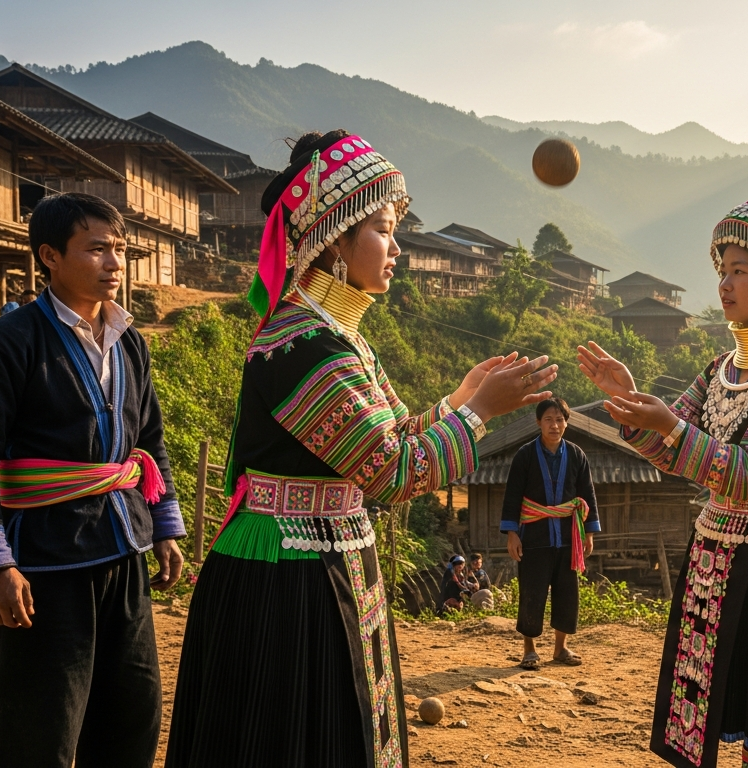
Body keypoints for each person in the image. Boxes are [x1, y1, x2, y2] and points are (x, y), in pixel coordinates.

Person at [165, 129, 556, 768]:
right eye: (381, 229)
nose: (397, 247)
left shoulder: (340, 338)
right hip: (287, 576)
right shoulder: (301, 345)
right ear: (334, 238)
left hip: (333, 557)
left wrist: (461, 399)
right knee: (295, 735)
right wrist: (482, 413)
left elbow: (392, 437)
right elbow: (390, 471)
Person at [579, 197, 748, 768]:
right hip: (716, 554)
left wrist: (667, 424)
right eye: (722, 271)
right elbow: (670, 452)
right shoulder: (720, 370)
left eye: (740, 271)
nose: (725, 286)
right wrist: (632, 405)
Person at [0, 192, 185, 768]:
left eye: (120, 249)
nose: (114, 262)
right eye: (97, 249)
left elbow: (147, 441)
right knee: (39, 729)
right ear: (49, 256)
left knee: (131, 715)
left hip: (122, 550)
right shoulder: (5, 344)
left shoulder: (129, 341)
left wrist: (166, 526)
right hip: (42, 562)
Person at [500, 397, 600, 670]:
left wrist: (589, 532)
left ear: (566, 423)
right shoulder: (525, 455)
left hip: (569, 537)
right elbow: (512, 496)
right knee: (532, 591)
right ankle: (529, 650)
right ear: (538, 422)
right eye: (548, 420)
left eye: (559, 420)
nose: (554, 425)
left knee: (567, 593)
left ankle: (561, 648)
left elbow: (587, 494)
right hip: (534, 535)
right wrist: (512, 533)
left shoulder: (577, 455)